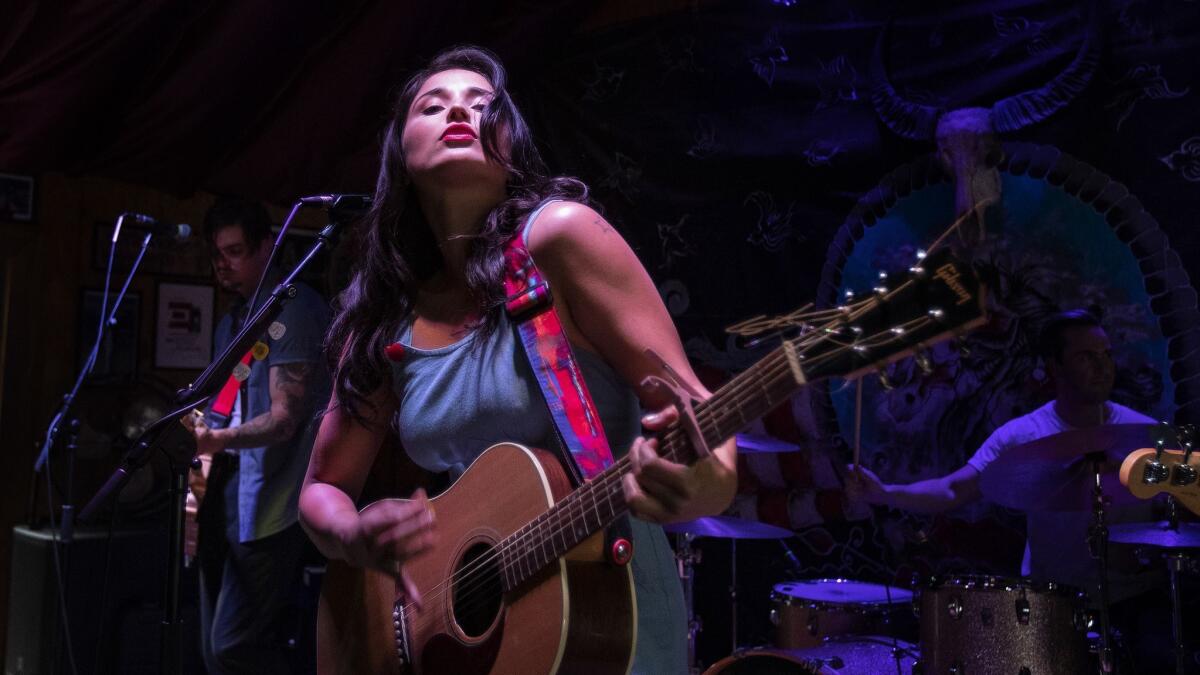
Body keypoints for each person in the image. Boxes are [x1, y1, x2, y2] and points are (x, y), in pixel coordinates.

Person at [297, 45, 738, 673]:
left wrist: (700, 485)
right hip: (462, 645)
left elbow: (702, 424)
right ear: (399, 149)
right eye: (432, 105)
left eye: (483, 105)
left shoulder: (560, 238)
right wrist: (350, 535)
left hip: (607, 619)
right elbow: (322, 490)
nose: (459, 111)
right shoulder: (384, 315)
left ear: (512, 147)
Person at [846, 309, 1183, 670]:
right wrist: (883, 492)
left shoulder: (1146, 435)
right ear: (1054, 367)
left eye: (1106, 355)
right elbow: (952, 491)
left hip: (1138, 602)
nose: (1103, 367)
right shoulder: (1023, 436)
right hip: (1053, 608)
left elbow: (1189, 503)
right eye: (1086, 357)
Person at [193, 197, 332, 674]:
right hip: (229, 494)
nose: (222, 265)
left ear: (266, 248)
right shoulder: (236, 320)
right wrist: (199, 432)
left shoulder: (294, 312)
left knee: (233, 644)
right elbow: (223, 407)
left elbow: (284, 420)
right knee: (213, 649)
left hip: (277, 500)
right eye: (216, 254)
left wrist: (215, 441)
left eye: (234, 251)